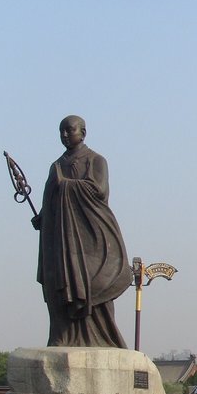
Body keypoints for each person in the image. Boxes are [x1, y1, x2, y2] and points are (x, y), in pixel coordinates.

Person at [32, 115, 133, 348]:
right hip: (62, 240)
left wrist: (66, 185)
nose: (65, 135)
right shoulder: (56, 166)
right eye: (61, 131)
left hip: (89, 236)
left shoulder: (96, 160)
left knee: (93, 284)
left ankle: (103, 338)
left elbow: (99, 191)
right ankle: (62, 336)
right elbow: (50, 198)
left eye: (70, 130)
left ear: (83, 133)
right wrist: (44, 216)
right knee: (59, 284)